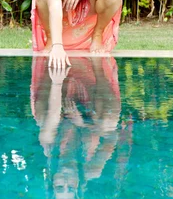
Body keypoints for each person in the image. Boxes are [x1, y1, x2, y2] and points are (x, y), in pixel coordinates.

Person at [30, 56, 132, 198]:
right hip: (91, 99)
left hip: (57, 93)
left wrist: (58, 81)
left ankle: (51, 66)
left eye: (60, 187)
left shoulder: (49, 149)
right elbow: (112, 137)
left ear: (53, 181)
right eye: (70, 187)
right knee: (108, 123)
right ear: (78, 187)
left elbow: (53, 116)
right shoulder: (92, 169)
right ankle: (98, 68)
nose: (65, 181)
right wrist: (84, 124)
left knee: (45, 123)